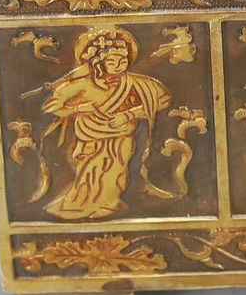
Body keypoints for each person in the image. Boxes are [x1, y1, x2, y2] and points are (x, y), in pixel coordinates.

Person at [41, 26, 170, 220]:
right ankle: (82, 205)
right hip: (91, 139)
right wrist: (78, 109)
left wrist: (129, 114)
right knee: (90, 174)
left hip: (122, 138)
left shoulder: (135, 83)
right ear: (98, 62)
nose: (119, 65)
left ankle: (109, 205)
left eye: (123, 61)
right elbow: (50, 106)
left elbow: (164, 99)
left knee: (117, 173)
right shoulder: (83, 85)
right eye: (112, 61)